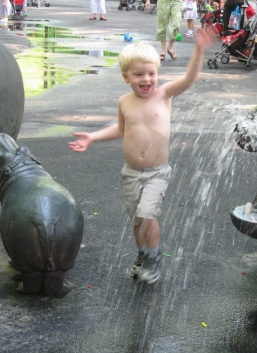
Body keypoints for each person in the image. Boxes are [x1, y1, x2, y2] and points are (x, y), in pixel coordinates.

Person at [69, 29, 216, 284]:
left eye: (151, 73)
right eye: (138, 74)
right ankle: (143, 253)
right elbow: (121, 129)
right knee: (137, 221)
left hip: (157, 172)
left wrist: (198, 50)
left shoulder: (164, 94)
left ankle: (153, 256)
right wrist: (93, 137)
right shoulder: (125, 102)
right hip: (131, 173)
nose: (146, 79)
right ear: (126, 77)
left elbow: (189, 79)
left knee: (148, 214)